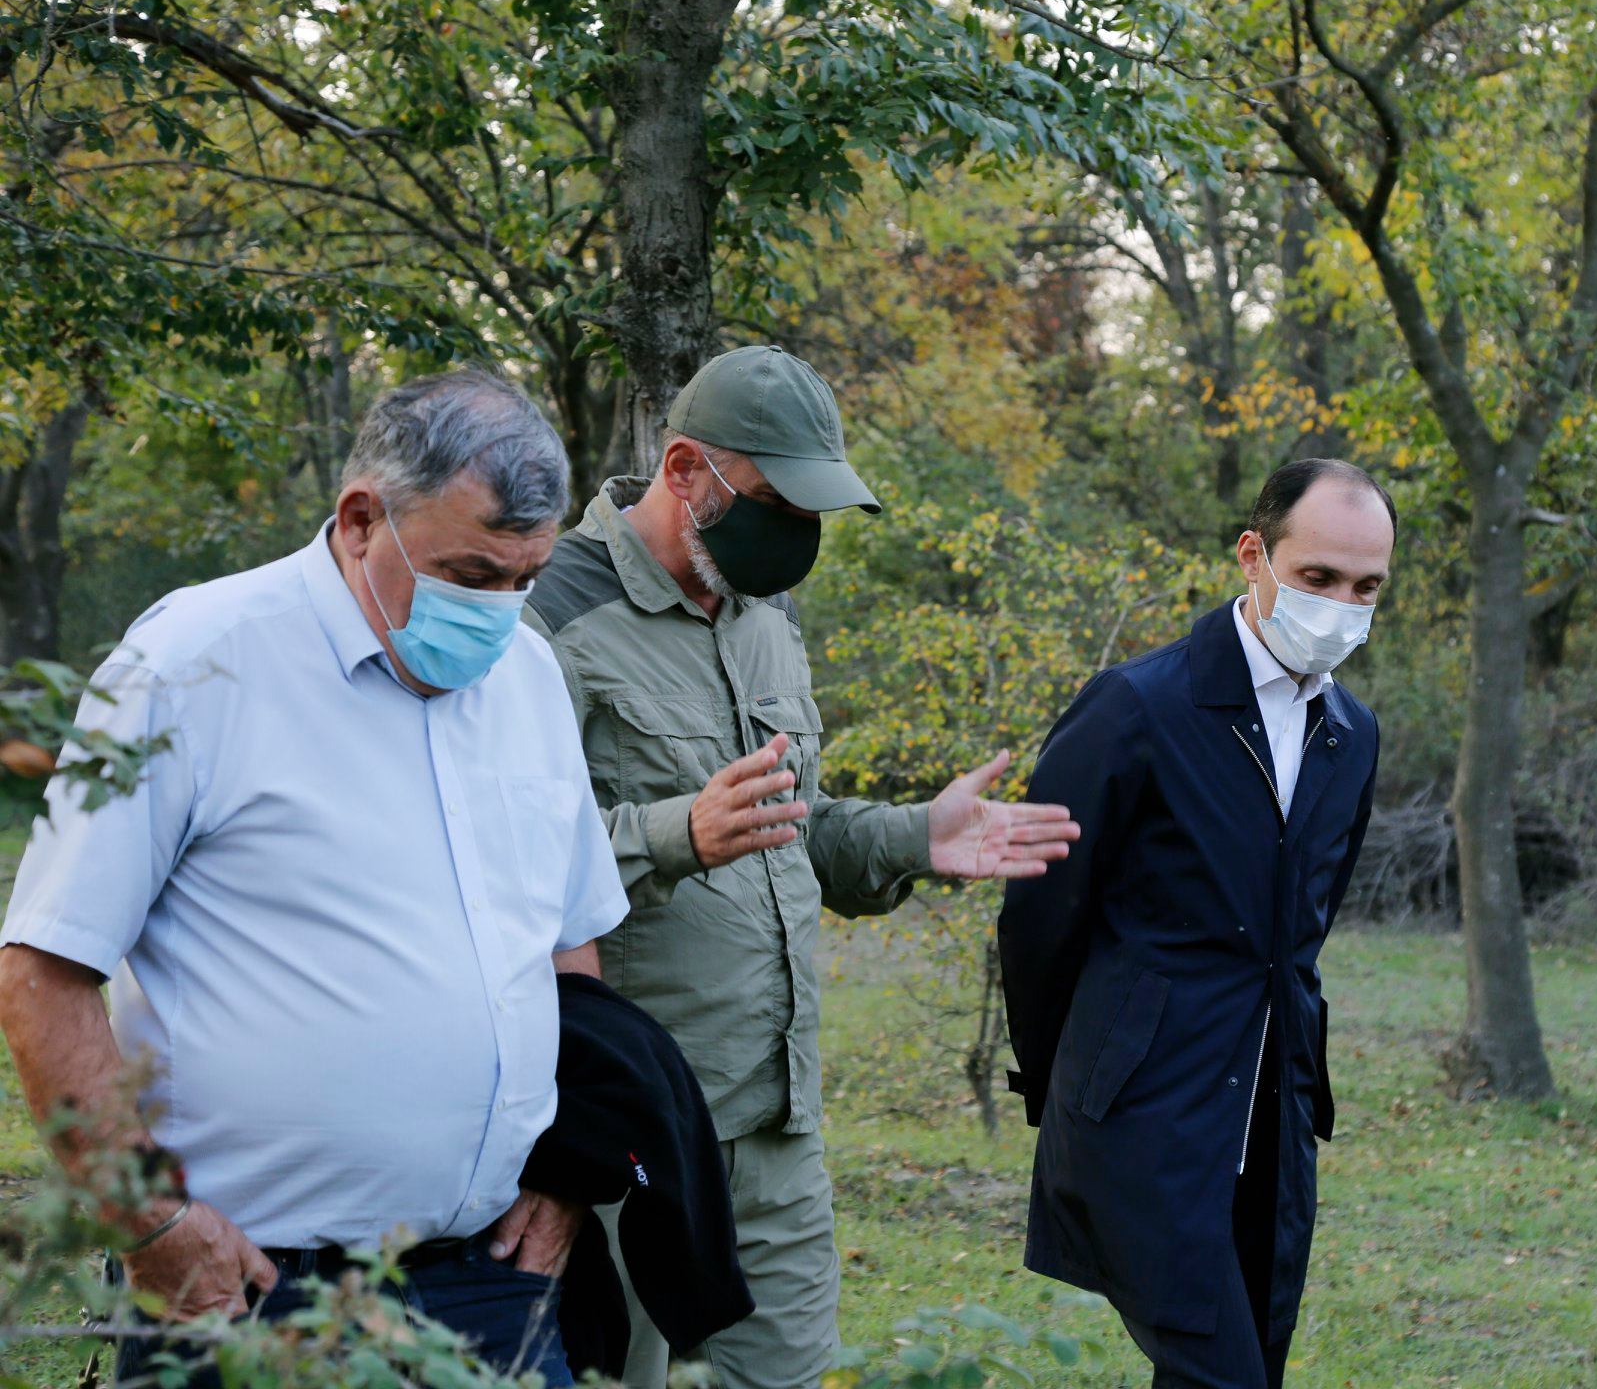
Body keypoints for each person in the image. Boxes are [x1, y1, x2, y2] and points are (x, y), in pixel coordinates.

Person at [0, 371, 629, 1388]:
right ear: (360, 519)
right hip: (247, 1285)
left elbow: (565, 943)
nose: (498, 610)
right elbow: (44, 969)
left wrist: (567, 1170)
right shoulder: (194, 664)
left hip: (493, 1282)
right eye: (470, 573)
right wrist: (149, 1222)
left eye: (526, 578)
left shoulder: (528, 677)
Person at [522, 343, 1082, 1389]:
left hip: (777, 1123)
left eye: (812, 511)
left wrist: (917, 837)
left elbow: (793, 824)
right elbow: (503, 862)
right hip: (626, 1125)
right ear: (684, 469)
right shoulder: (548, 613)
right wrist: (675, 833)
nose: (796, 535)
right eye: (777, 503)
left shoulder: (764, 614)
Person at [998, 458, 1395, 1389]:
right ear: (1253, 556)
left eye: (1367, 586)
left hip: (1276, 1118)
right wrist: (1076, 1084)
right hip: (1143, 1113)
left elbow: (1306, 930)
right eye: (1319, 577)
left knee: (1252, 1357)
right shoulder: (1137, 707)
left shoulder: (1352, 733)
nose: (1343, 606)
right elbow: (1040, 917)